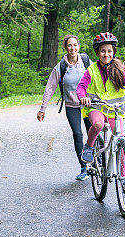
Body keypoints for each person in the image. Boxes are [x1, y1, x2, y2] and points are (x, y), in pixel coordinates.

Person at [76, 32, 125, 179]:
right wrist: (83, 97)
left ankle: (123, 177)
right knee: (98, 124)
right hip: (96, 107)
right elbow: (81, 86)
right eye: (103, 51)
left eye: (109, 51)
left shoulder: (119, 69)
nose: (106, 54)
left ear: (114, 52)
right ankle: (89, 147)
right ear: (97, 53)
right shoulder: (91, 70)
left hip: (113, 111)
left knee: (120, 139)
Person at [37, 35, 92, 181]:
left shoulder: (86, 62)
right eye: (69, 45)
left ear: (79, 46)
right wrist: (43, 108)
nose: (72, 48)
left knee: (92, 132)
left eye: (75, 45)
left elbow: (98, 77)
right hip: (71, 105)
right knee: (78, 135)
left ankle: (98, 161)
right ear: (65, 47)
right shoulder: (61, 66)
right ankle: (83, 167)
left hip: (88, 104)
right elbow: (50, 87)